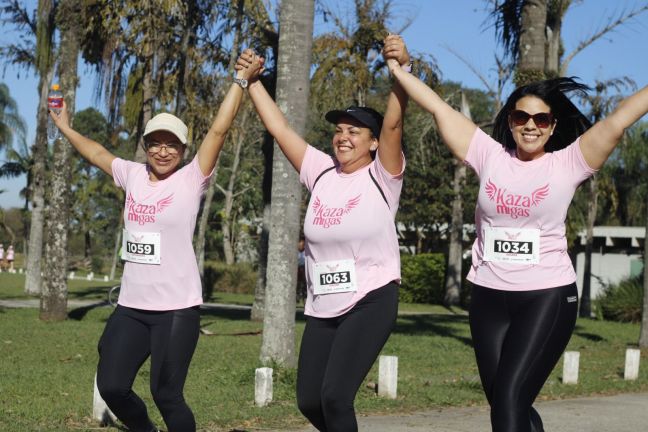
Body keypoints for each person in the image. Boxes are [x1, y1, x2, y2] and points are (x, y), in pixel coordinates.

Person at [388, 37, 648, 432]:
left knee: (510, 401)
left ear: (552, 126)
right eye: (521, 117)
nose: (530, 125)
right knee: (506, 404)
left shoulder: (569, 162)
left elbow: (620, 119)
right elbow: (438, 107)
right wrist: (399, 70)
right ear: (510, 120)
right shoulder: (488, 155)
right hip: (489, 297)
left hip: (546, 296)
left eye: (540, 119)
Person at [49, 62, 256, 432]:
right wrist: (64, 127)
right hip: (131, 306)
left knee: (167, 395)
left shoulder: (192, 179)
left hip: (176, 309)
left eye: (172, 144)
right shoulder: (131, 175)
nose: (163, 152)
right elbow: (96, 153)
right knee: (112, 385)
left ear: (183, 148)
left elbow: (219, 130)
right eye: (156, 143)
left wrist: (240, 82)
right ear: (145, 146)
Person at [235, 34, 409, 431]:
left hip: (371, 297)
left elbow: (395, 122)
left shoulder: (383, 175)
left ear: (372, 143)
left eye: (354, 131)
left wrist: (400, 72)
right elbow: (279, 129)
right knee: (310, 399)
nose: (343, 137)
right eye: (339, 130)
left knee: (335, 396)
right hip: (324, 301)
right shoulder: (322, 171)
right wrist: (252, 82)